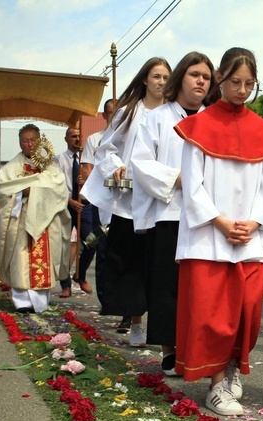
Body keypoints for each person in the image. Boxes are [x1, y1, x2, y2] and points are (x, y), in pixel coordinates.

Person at [173, 47, 263, 416]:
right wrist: (219, 220)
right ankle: (217, 386)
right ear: (220, 78)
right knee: (212, 316)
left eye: (249, 83)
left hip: (250, 236)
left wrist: (253, 222)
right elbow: (192, 183)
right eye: (235, 82)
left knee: (247, 311)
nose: (242, 89)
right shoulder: (199, 125)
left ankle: (234, 368)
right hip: (208, 237)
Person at [131, 51, 214, 376]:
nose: (201, 81)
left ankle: (195, 349)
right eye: (195, 74)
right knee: (166, 285)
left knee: (198, 286)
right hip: (168, 211)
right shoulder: (157, 118)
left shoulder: (213, 119)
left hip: (205, 214)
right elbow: (141, 162)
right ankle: (169, 349)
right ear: (181, 78)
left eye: (206, 77)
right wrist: (177, 178)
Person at [83, 57, 171, 348]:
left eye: (166, 77)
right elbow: (106, 149)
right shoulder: (128, 113)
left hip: (161, 199)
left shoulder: (174, 114)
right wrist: (116, 166)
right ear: (145, 79)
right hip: (129, 198)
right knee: (131, 261)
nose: (161, 82)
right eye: (156, 76)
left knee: (158, 263)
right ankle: (135, 321)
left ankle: (163, 325)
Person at [0, 124, 71, 314]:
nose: (29, 144)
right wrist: (22, 193)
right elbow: (3, 189)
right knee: (20, 259)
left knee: (44, 259)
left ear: (40, 141)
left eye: (33, 140)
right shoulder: (11, 168)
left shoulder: (51, 167)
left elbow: (60, 191)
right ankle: (21, 302)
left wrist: (35, 192)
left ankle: (40, 302)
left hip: (46, 222)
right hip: (20, 220)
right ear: (20, 143)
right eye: (25, 141)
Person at [79, 98, 116, 309]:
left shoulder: (129, 138)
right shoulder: (95, 139)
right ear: (104, 115)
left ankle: (123, 306)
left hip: (123, 203)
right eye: (110, 112)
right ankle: (105, 299)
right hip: (101, 203)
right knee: (102, 251)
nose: (114, 116)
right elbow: (87, 169)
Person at [56, 127, 93, 297]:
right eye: (73, 136)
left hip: (85, 205)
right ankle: (65, 284)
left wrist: (85, 180)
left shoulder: (88, 159)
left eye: (79, 136)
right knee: (64, 246)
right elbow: (56, 185)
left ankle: (81, 274)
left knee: (93, 241)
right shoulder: (59, 160)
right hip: (66, 205)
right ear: (66, 139)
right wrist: (69, 201)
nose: (77, 139)